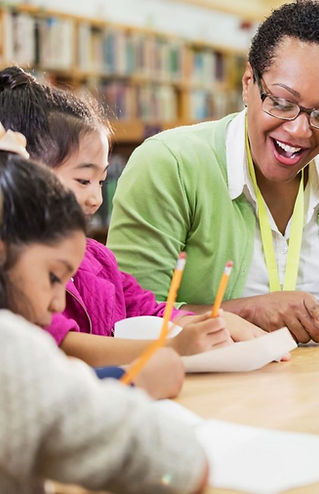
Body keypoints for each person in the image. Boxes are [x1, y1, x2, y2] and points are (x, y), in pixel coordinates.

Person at [106, 0, 319, 344]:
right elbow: (124, 319)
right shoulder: (168, 166)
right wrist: (247, 311)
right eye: (282, 103)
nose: (300, 131)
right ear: (248, 82)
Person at [0, 65, 268, 368]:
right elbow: (60, 347)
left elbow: (145, 308)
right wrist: (172, 348)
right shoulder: (16, 271)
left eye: (101, 182)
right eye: (83, 181)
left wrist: (204, 324)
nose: (96, 199)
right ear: (26, 174)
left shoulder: (98, 258)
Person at [0, 148, 208, 493]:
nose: (57, 303)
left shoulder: (98, 257)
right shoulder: (12, 350)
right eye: (53, 277)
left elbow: (144, 304)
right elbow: (182, 468)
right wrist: (135, 377)